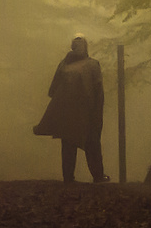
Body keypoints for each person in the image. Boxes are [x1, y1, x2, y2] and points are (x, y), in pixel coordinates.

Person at [33, 35, 109, 183]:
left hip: (69, 112)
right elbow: (98, 91)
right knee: (91, 142)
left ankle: (70, 178)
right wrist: (97, 111)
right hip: (86, 112)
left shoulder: (64, 65)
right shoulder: (92, 64)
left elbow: (52, 90)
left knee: (70, 144)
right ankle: (97, 177)